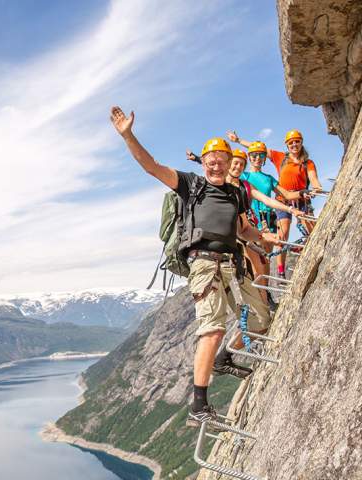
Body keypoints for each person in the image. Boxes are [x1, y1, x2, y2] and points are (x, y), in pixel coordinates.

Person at [111, 106, 279, 426]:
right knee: (213, 328)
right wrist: (128, 135)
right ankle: (198, 406)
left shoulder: (235, 194)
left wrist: (263, 238)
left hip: (234, 263)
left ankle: (224, 358)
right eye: (210, 159)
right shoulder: (191, 185)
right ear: (203, 164)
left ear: (230, 164)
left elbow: (242, 228)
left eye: (221, 159)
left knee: (262, 319)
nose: (216, 163)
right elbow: (151, 167)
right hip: (204, 265)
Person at [186, 148, 302, 305]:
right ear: (228, 165)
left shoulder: (245, 186)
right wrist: (197, 158)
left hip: (250, 228)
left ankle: (264, 299)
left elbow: (266, 200)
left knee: (263, 264)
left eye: (241, 164)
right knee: (256, 266)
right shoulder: (221, 183)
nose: (238, 167)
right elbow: (213, 167)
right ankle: (263, 304)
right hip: (236, 233)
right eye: (235, 163)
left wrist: (289, 209)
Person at [227, 129, 323, 277]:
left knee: (266, 256)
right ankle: (261, 287)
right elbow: (227, 172)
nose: (257, 158)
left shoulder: (270, 177)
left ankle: (267, 292)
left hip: (268, 217)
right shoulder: (243, 175)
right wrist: (238, 141)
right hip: (251, 218)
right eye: (254, 156)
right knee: (255, 257)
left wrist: (304, 192)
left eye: (261, 156)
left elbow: (287, 192)